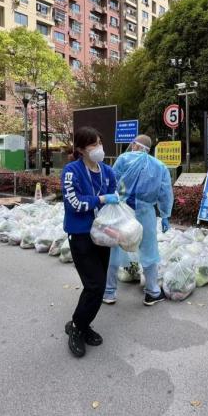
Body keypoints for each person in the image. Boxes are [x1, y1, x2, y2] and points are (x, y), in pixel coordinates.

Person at [61, 127, 118, 358]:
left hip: (102, 235)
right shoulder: (71, 171)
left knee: (99, 285)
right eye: (93, 145)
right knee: (94, 285)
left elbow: (114, 202)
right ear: (81, 149)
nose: (98, 149)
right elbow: (74, 203)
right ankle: (76, 326)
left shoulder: (107, 171)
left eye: (100, 143)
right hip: (81, 235)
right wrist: (101, 199)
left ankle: (83, 324)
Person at [103, 135, 173, 306]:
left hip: (121, 211)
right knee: (149, 250)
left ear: (134, 145)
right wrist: (165, 215)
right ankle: (152, 292)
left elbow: (110, 183)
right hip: (145, 213)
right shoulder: (159, 166)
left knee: (114, 248)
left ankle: (109, 292)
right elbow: (165, 192)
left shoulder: (123, 159)